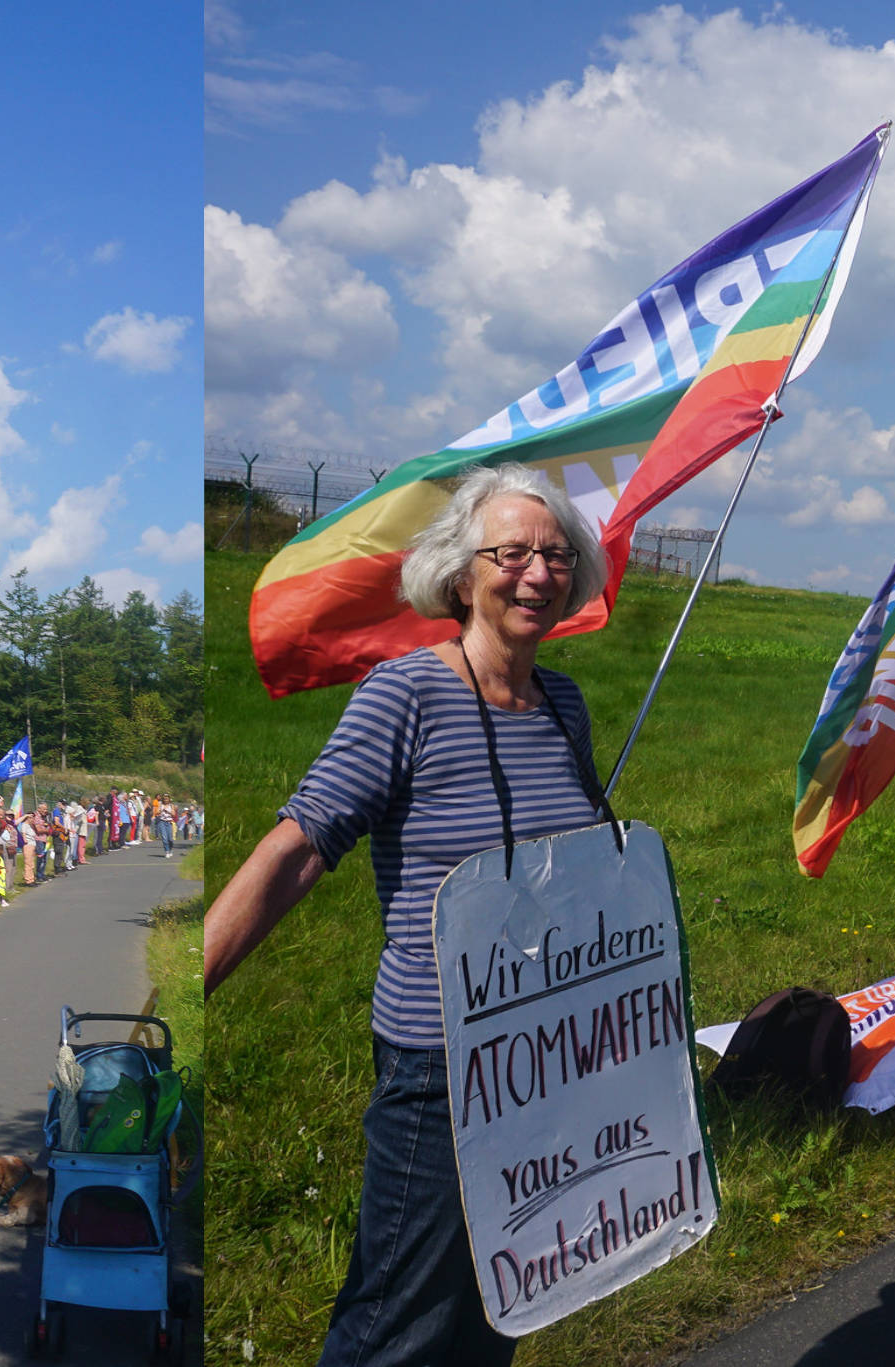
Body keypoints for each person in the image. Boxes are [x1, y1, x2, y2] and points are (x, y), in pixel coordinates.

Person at [207, 465, 612, 1367]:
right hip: (442, 1066)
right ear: (461, 574)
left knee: (501, 1303)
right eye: (511, 553)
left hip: (546, 1059)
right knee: (399, 1325)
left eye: (555, 555)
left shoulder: (565, 706)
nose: (537, 573)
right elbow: (301, 845)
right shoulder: (407, 695)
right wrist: (194, 981)